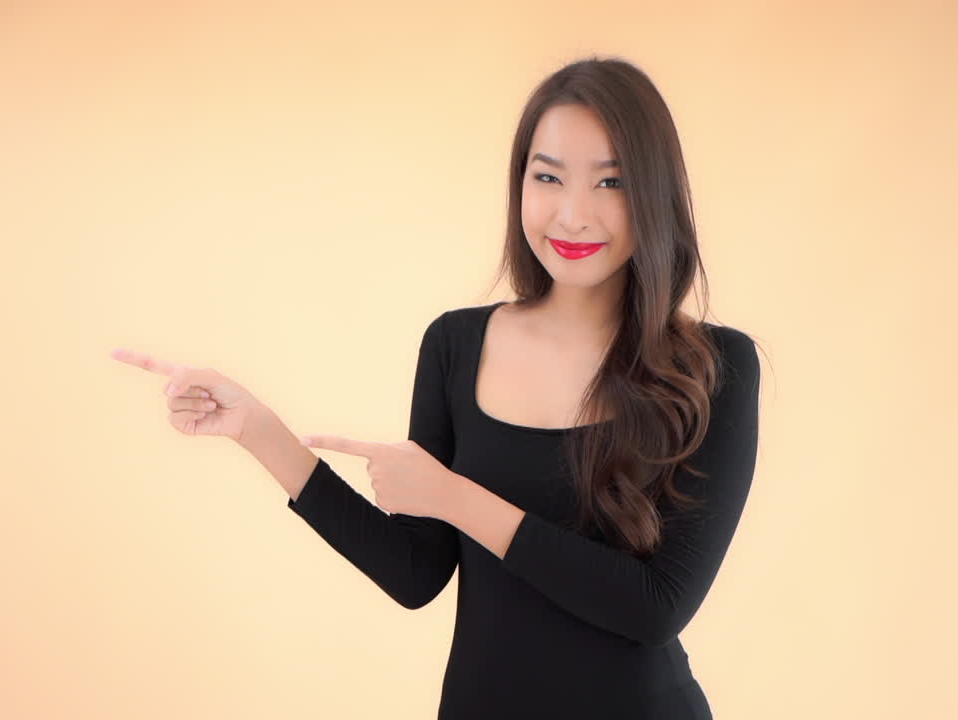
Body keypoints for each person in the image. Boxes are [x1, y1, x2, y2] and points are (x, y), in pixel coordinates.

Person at [112, 55, 762, 720]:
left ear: (654, 193)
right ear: (519, 185)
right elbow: (416, 573)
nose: (572, 214)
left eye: (611, 182)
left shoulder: (717, 368)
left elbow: (654, 606)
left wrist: (455, 496)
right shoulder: (455, 346)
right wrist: (254, 427)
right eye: (548, 177)